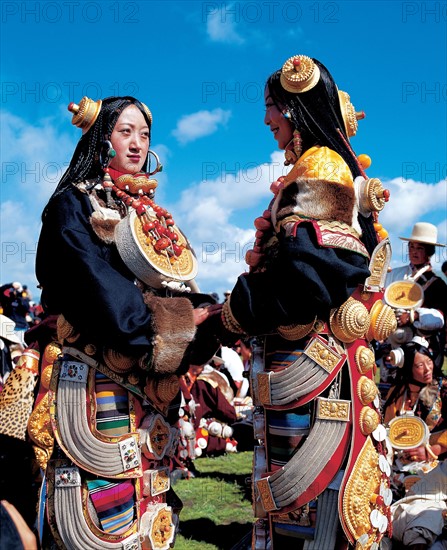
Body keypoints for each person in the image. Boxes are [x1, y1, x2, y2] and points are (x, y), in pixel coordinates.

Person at [22, 96, 221, 549]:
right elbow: (95, 288)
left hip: (148, 380)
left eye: (144, 134)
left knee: (148, 504)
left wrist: (204, 317)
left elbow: (176, 284)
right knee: (99, 504)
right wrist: (174, 327)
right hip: (92, 379)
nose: (137, 143)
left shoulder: (147, 214)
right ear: (101, 139)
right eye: (125, 131)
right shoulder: (71, 206)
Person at [218, 55, 397, 549]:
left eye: (271, 107)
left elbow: (308, 279)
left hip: (309, 364)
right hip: (300, 360)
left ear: (295, 108)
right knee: (293, 494)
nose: (266, 119)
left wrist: (233, 311)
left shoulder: (320, 165)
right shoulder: (314, 164)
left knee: (304, 499)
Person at [383, 339, 446, 499]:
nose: (427, 369)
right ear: (408, 369)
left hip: (435, 464)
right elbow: (387, 428)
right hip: (398, 464)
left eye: (429, 362)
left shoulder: (442, 390)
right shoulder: (396, 393)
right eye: (419, 366)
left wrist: (431, 451)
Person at [384, 222, 447, 370]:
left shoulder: (437, 285)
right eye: (411, 247)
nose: (414, 251)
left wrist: (414, 316)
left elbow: (441, 317)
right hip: (391, 343)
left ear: (429, 252)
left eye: (420, 248)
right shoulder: (394, 274)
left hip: (422, 349)